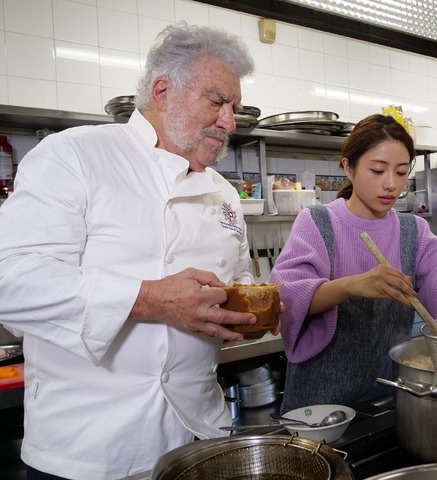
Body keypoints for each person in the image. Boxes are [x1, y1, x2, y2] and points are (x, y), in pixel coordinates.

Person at [0, 23, 273, 480]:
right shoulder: (74, 156)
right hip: (89, 450)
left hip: (199, 438)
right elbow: (10, 282)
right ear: (163, 91)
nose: (229, 121)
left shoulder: (224, 193)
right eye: (216, 101)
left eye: (234, 108)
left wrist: (245, 312)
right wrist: (149, 298)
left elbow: (237, 280)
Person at [268, 114, 437, 413]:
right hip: (319, 405)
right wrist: (353, 285)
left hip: (391, 397)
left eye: (402, 173)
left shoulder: (413, 231)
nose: (391, 184)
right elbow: (286, 297)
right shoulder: (318, 222)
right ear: (348, 167)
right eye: (377, 170)